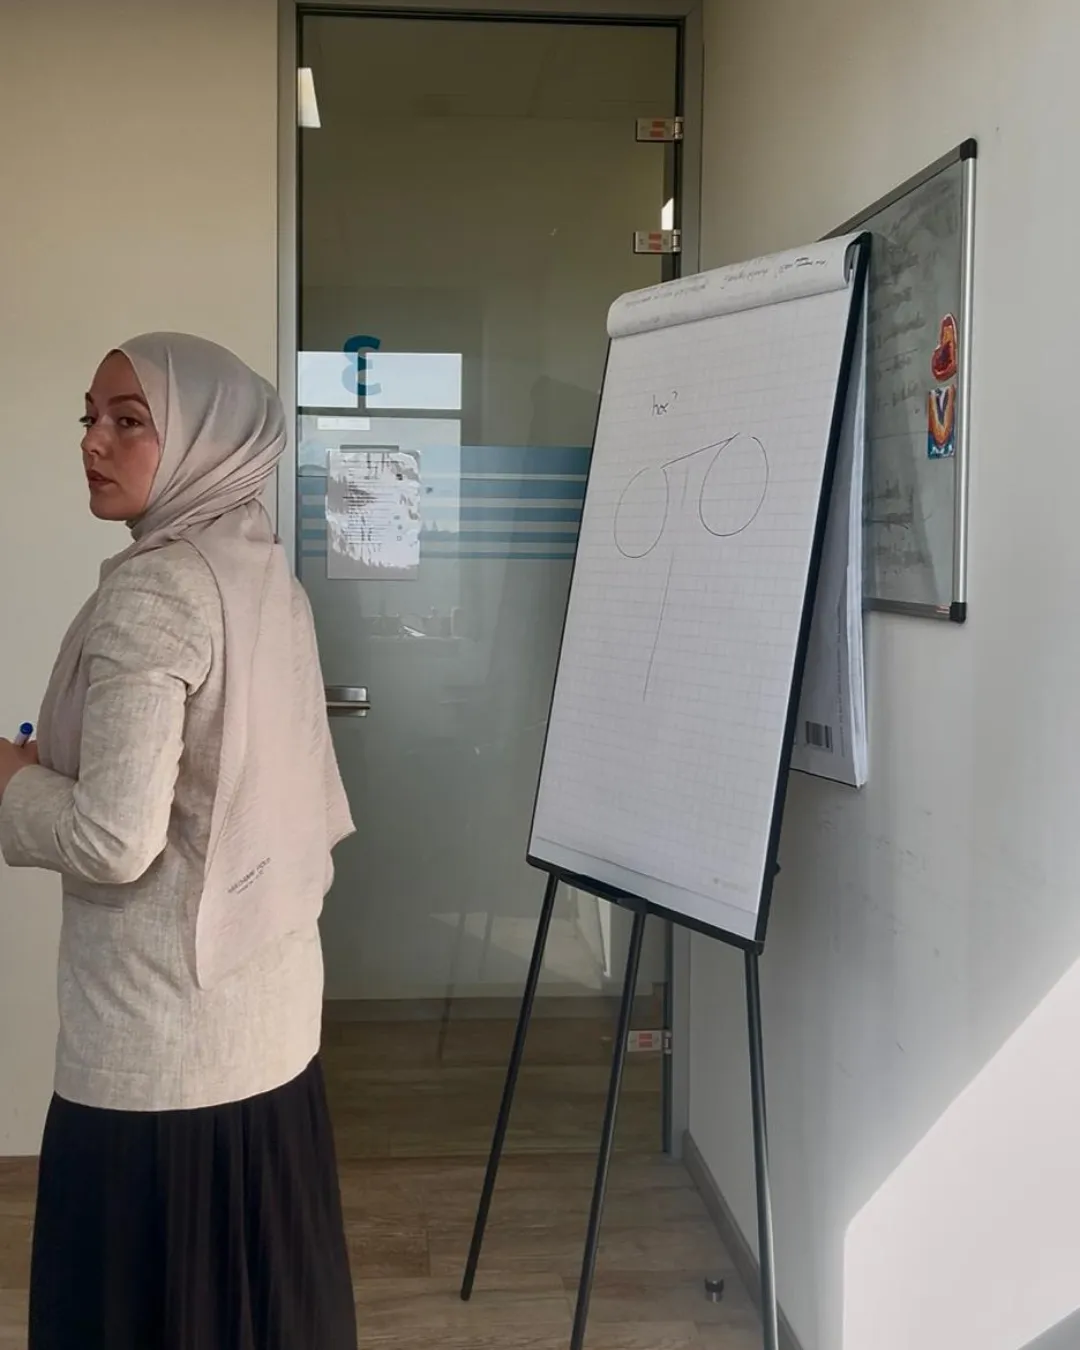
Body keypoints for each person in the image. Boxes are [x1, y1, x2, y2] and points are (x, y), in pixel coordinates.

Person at [0, 334, 359, 1350]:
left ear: (203, 438)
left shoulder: (155, 591)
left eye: (129, 420)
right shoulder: (259, 575)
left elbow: (115, 837)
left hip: (158, 1047)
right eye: (89, 417)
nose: (94, 443)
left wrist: (14, 784)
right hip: (267, 1019)